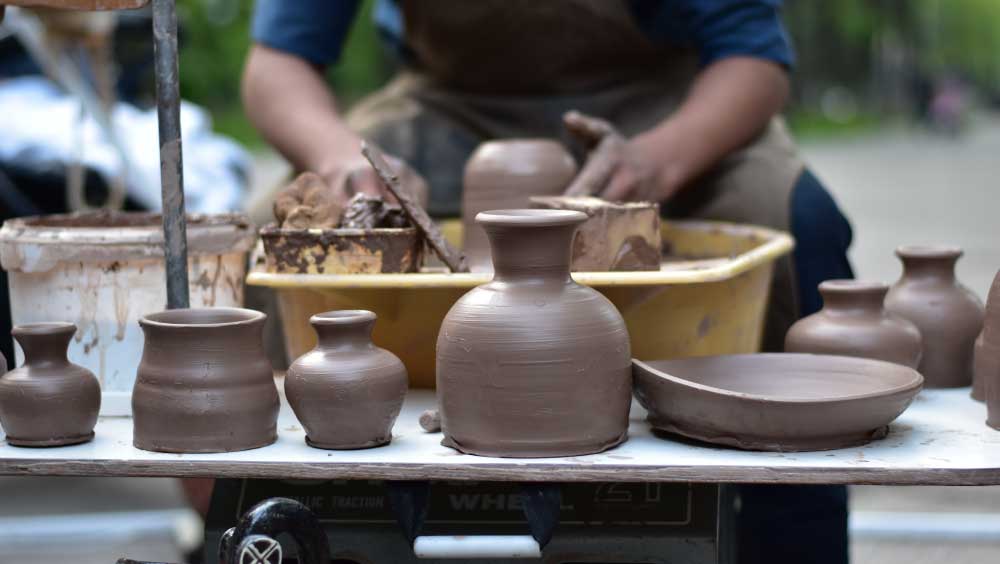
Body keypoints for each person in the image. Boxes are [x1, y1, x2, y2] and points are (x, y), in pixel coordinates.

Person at [241, 2, 855, 563]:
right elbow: (277, 62)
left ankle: (788, 534)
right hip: (442, 108)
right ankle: (273, 526)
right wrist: (342, 160)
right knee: (267, 246)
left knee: (802, 224)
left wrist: (658, 161)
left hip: (658, 105)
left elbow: (755, 58)